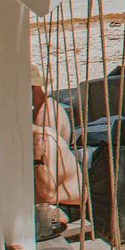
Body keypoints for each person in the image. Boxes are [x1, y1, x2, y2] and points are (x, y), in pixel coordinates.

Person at [30, 84, 83, 241]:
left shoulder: (45, 134)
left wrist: (37, 159)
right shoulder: (38, 115)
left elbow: (48, 194)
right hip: (49, 200)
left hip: (64, 205)